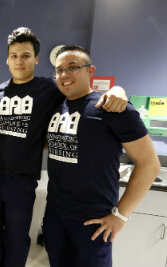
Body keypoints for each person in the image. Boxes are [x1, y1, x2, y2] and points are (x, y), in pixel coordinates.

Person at [0, 27, 128, 267]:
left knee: (17, 238)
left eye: (26, 55)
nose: (19, 60)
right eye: (14, 55)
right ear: (7, 59)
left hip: (21, 179)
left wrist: (117, 90)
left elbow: (82, 93)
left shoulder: (50, 88)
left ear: (36, 59)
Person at [43, 44, 161, 267]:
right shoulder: (57, 109)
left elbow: (149, 164)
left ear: (91, 70)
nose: (64, 74)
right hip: (55, 215)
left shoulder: (113, 108)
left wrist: (121, 215)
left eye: (73, 67)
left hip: (92, 221)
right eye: (58, 70)